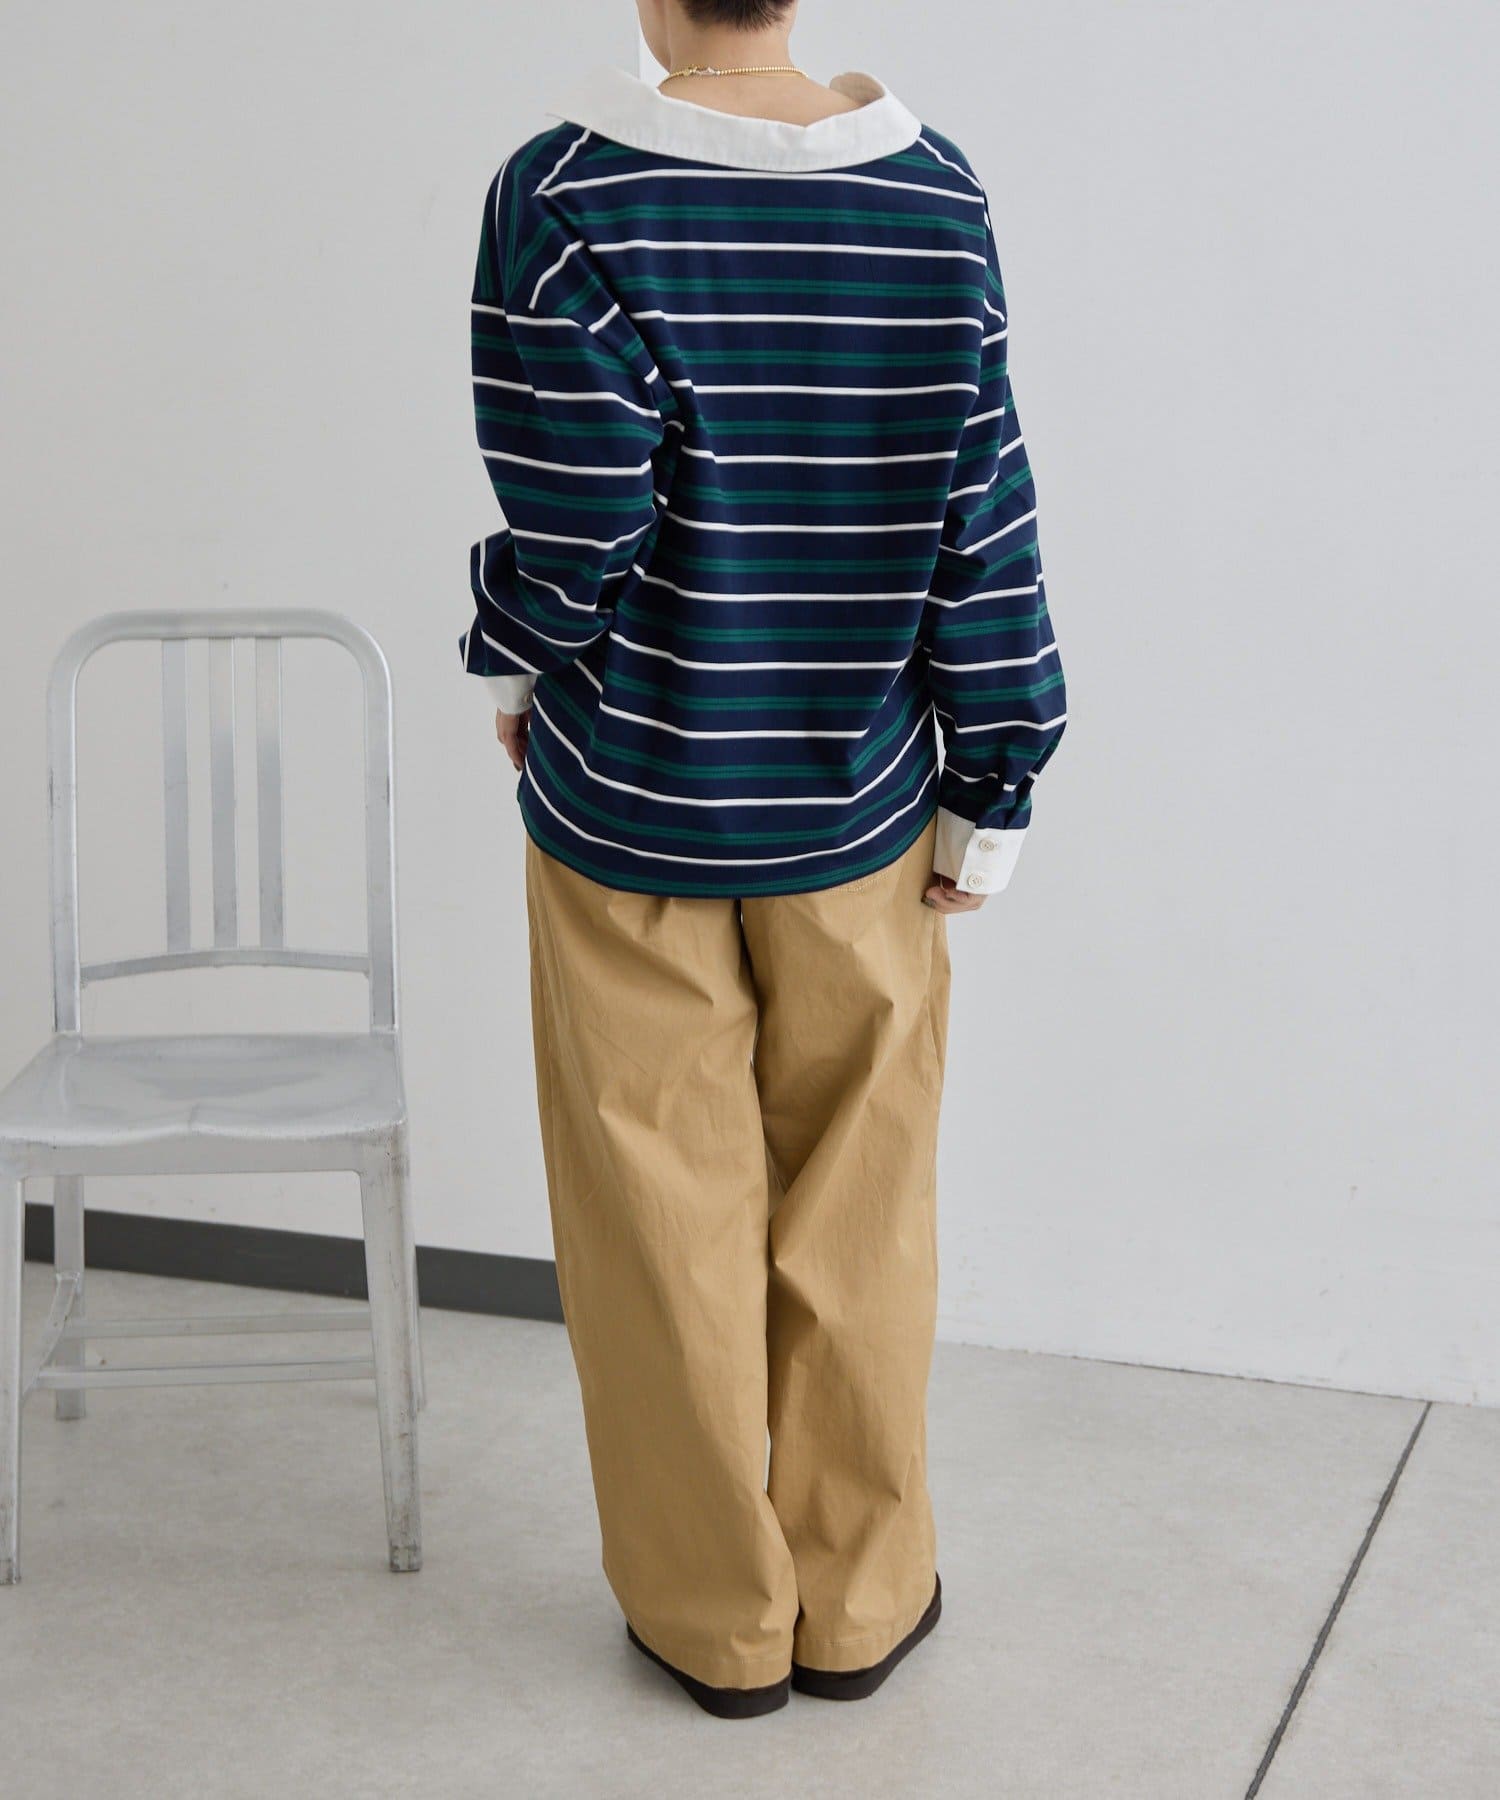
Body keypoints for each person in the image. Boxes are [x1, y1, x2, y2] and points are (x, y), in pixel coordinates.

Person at [459, 0, 1067, 1719]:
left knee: (662, 1230)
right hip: (862, 819)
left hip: (626, 807)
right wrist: (998, 775)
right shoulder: (935, 193)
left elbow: (577, 516)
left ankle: (715, 1622)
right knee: (863, 1217)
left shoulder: (563, 191)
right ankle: (860, 1603)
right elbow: (985, 507)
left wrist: (513, 660)